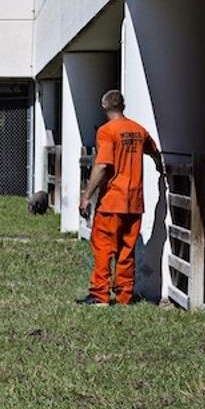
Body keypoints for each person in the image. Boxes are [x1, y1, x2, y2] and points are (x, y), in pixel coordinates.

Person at [77, 89, 164, 306]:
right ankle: (125, 295)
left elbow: (103, 165)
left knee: (104, 247)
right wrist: (159, 167)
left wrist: (87, 195)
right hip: (135, 203)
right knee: (127, 250)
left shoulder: (107, 131)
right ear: (123, 106)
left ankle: (99, 295)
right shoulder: (138, 130)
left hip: (112, 201)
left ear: (104, 106)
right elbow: (154, 151)